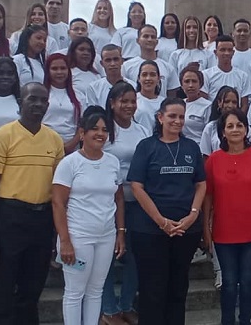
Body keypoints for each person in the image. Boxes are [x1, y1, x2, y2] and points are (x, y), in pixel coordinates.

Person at [0, 83, 65, 325]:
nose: (38, 104)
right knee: (1, 288)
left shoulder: (54, 139)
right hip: (9, 217)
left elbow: (58, 189)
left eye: (43, 100)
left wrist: (56, 235)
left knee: (32, 288)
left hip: (41, 219)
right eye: (32, 99)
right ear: (20, 102)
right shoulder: (2, 136)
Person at [128, 98, 206, 325]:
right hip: (150, 231)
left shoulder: (191, 147)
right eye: (172, 116)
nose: (177, 121)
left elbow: (201, 184)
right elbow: (136, 186)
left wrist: (193, 215)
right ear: (160, 117)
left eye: (181, 116)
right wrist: (161, 221)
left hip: (185, 230)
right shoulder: (146, 146)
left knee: (178, 287)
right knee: (152, 288)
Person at [52, 106, 126, 325]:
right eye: (95, 129)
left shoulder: (112, 162)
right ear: (82, 133)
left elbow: (118, 198)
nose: (100, 134)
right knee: (75, 292)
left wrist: (120, 233)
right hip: (78, 237)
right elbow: (58, 203)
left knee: (96, 290)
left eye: (104, 129)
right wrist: (65, 241)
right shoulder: (70, 163)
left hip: (106, 236)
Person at [203, 108, 251, 325]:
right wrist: (206, 228)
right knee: (229, 282)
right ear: (222, 132)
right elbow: (207, 197)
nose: (235, 129)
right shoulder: (213, 160)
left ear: (246, 129)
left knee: (248, 280)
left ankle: (245, 321)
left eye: (239, 125)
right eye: (230, 126)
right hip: (224, 233)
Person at [101, 81, 150, 325]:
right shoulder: (104, 130)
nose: (129, 105)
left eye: (133, 101)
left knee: (135, 256)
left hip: (137, 203)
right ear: (112, 103)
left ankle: (127, 304)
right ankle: (109, 309)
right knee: (107, 257)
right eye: (124, 101)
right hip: (107, 203)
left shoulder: (141, 130)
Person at [43, 53, 84, 154]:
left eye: (63, 68)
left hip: (71, 148)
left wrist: (71, 144)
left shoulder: (78, 95)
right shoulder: (41, 93)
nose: (59, 72)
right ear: (48, 71)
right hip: (45, 146)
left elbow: (83, 124)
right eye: (54, 69)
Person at [123, 25, 179, 98]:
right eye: (146, 36)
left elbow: (172, 95)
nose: (149, 39)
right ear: (138, 40)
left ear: (157, 41)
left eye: (153, 37)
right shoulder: (126, 66)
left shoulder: (168, 68)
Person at [200, 86, 251, 159]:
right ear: (219, 103)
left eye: (234, 102)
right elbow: (205, 156)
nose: (230, 105)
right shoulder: (210, 128)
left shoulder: (246, 128)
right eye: (227, 101)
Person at [202, 35, 251, 105]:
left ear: (233, 52)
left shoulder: (243, 76)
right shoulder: (206, 75)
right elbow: (204, 102)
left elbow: (244, 104)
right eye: (222, 50)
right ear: (215, 52)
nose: (226, 53)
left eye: (229, 50)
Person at [180, 67, 211, 145]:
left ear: (200, 84)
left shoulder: (207, 106)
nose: (190, 85)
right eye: (187, 81)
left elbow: (209, 134)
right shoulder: (179, 104)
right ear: (182, 85)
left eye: (194, 81)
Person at [134, 61, 166, 133]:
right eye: (144, 75)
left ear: (158, 78)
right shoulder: (133, 100)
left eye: (152, 75)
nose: (148, 78)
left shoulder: (164, 103)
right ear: (139, 78)